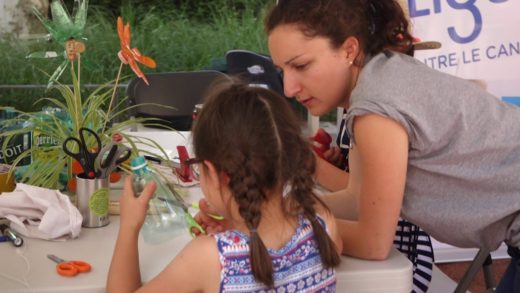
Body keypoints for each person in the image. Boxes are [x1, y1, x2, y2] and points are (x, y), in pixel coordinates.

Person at [199, 0, 520, 291]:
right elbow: (357, 197)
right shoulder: (381, 78)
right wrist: (264, 215)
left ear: (349, 49)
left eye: (301, 65)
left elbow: (373, 243)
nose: (288, 88)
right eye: (282, 70)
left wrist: (277, 230)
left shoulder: (375, 106)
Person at [106, 82, 343, 292]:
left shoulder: (211, 258)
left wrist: (129, 225)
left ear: (213, 171)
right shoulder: (322, 222)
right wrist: (235, 223)